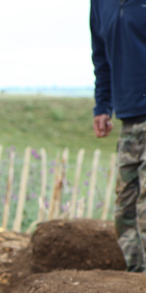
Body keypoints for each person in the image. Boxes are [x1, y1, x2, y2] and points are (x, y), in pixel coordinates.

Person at [91, 0, 146, 272]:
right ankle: (137, 280)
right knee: (125, 211)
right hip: (129, 121)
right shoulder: (100, 3)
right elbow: (101, 56)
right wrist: (103, 105)